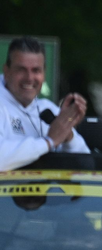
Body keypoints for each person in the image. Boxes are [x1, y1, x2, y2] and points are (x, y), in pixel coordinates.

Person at [0, 36, 90, 171]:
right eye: (21, 70)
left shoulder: (47, 107)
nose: (29, 78)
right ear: (6, 71)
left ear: (44, 73)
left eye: (36, 70)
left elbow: (87, 165)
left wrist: (67, 134)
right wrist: (49, 141)